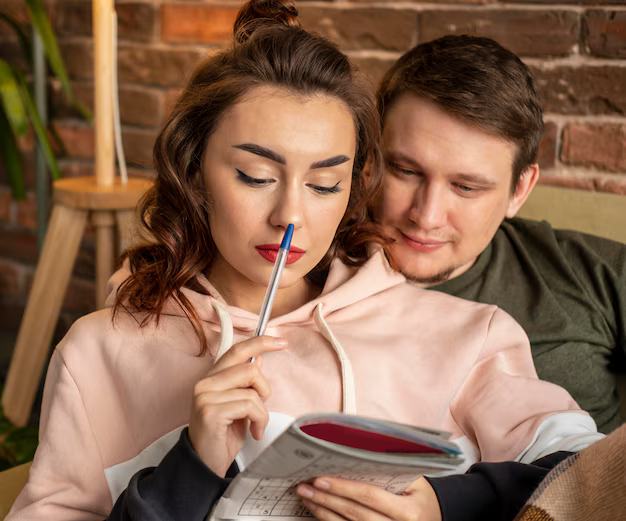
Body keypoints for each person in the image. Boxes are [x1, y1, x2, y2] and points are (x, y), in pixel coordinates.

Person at [8, 6, 602, 521]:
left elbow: (593, 474)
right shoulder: (98, 351)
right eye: (256, 176)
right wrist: (189, 468)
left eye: (324, 184)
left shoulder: (472, 335)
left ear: (352, 189)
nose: (289, 215)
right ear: (193, 170)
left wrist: (444, 508)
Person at [375, 34, 626, 435]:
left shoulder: (597, 274)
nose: (426, 215)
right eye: (405, 171)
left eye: (466, 187)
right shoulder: (303, 273)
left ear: (520, 190)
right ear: (371, 158)